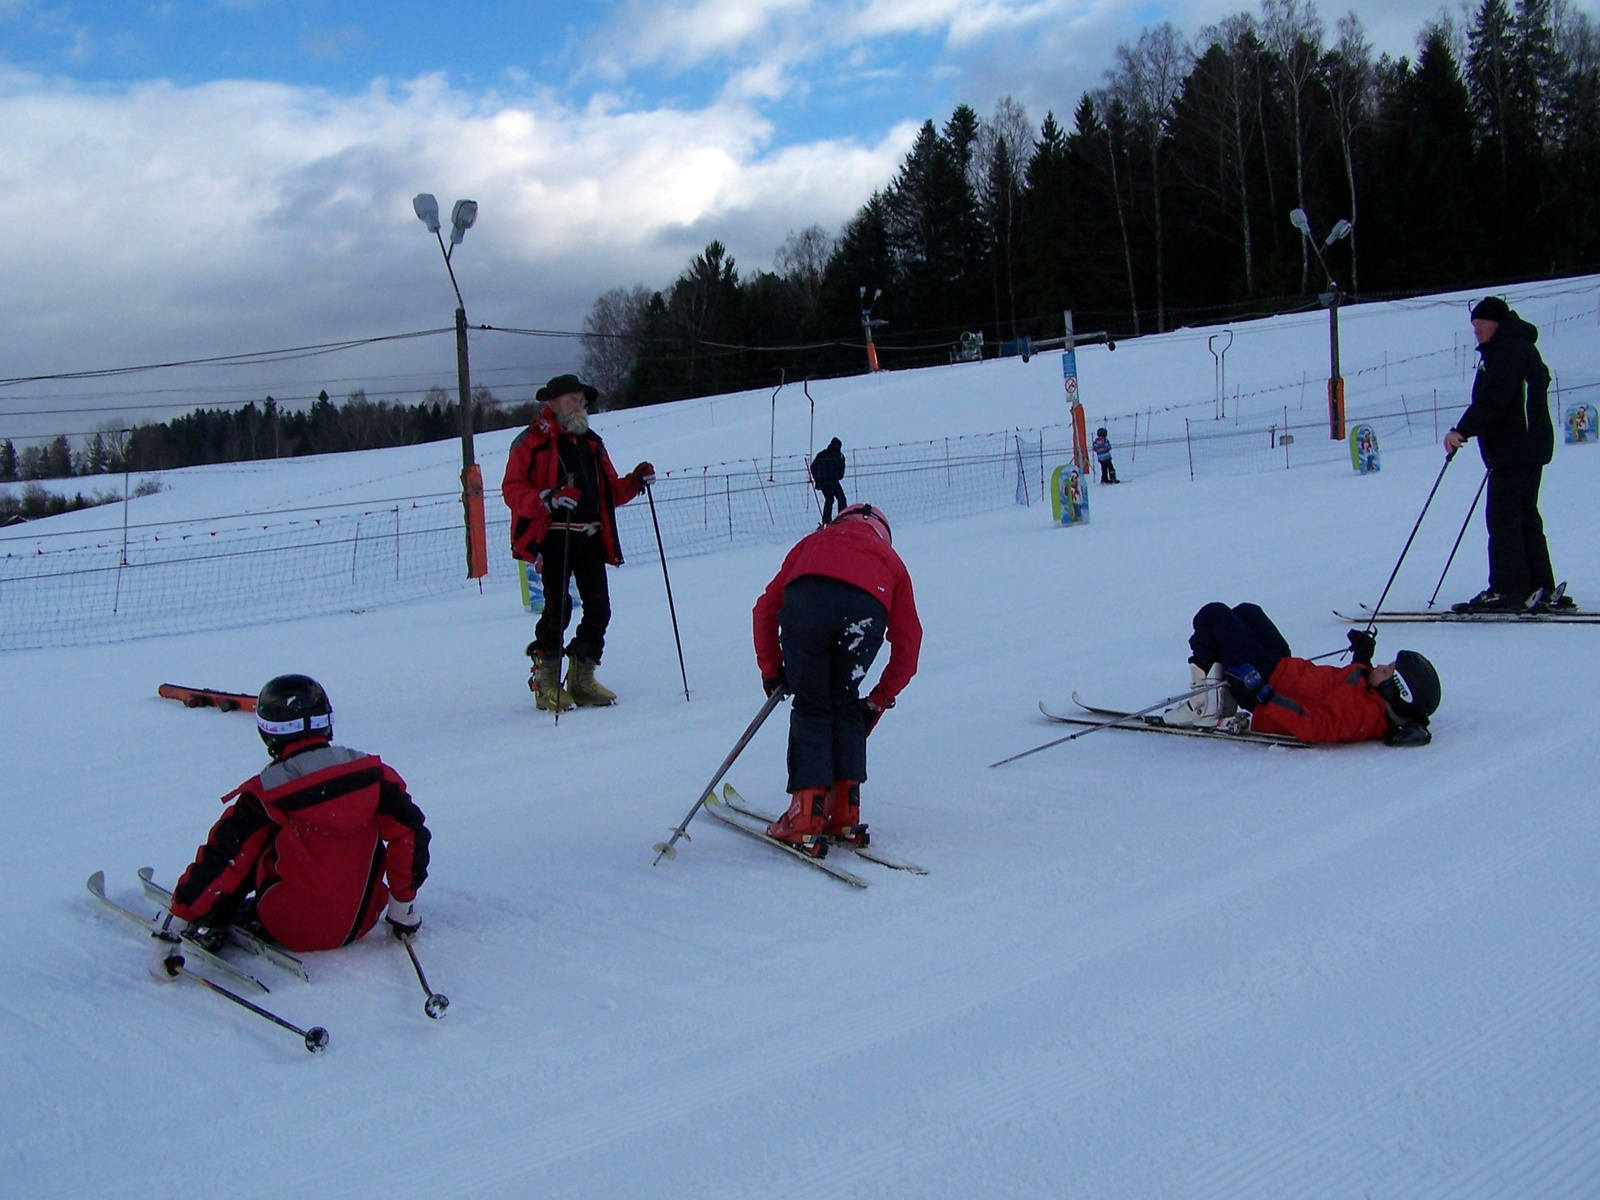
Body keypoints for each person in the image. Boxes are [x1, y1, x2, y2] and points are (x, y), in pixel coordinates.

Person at [149, 675, 431, 979]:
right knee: (363, 820)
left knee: (247, 844)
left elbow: (221, 859)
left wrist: (172, 927)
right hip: (360, 923)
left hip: (289, 926)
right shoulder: (374, 776)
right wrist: (403, 912)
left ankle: (211, 918)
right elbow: (410, 834)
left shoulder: (267, 794)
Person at [752, 503, 922, 853]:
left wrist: (772, 669)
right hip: (865, 611)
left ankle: (804, 817)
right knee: (844, 702)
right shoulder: (891, 561)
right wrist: (878, 700)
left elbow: (764, 610)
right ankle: (843, 812)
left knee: (813, 703)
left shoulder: (813, 542)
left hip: (807, 603)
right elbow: (909, 642)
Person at [503, 373, 654, 709]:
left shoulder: (591, 442)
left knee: (599, 608)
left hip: (590, 535)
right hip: (554, 536)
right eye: (573, 399)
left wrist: (635, 480)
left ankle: (581, 677)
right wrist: (548, 499)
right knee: (559, 609)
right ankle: (545, 682)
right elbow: (512, 490)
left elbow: (610, 491)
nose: (580, 405)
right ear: (552, 404)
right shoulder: (529, 441)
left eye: (582, 400)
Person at [1444, 297, 1573, 613]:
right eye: (1474, 325)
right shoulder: (1519, 347)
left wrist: (1462, 430)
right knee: (1523, 516)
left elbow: (1495, 399)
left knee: (1503, 517)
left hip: (1515, 448)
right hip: (1526, 447)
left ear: (1497, 323)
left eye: (1480, 324)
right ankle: (1537, 585)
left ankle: (1509, 588)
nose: (1476, 331)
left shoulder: (1507, 350)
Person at [1161, 602, 1438, 746]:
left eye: (1387, 670)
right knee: (1248, 612)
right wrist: (1363, 656)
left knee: (1214, 615)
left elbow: (1314, 726)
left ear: (1393, 690)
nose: (1381, 667)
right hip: (1281, 668)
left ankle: (1204, 705)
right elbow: (1351, 685)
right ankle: (1220, 694)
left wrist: (1264, 695)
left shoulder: (1360, 714)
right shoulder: (1374, 699)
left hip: (1262, 684)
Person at [810, 437, 848, 523]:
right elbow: (814, 467)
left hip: (831, 481)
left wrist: (818, 479)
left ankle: (835, 519)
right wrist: (818, 479)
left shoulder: (834, 455)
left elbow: (813, 467)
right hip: (826, 481)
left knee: (835, 499)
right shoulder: (827, 455)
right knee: (834, 499)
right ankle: (837, 519)